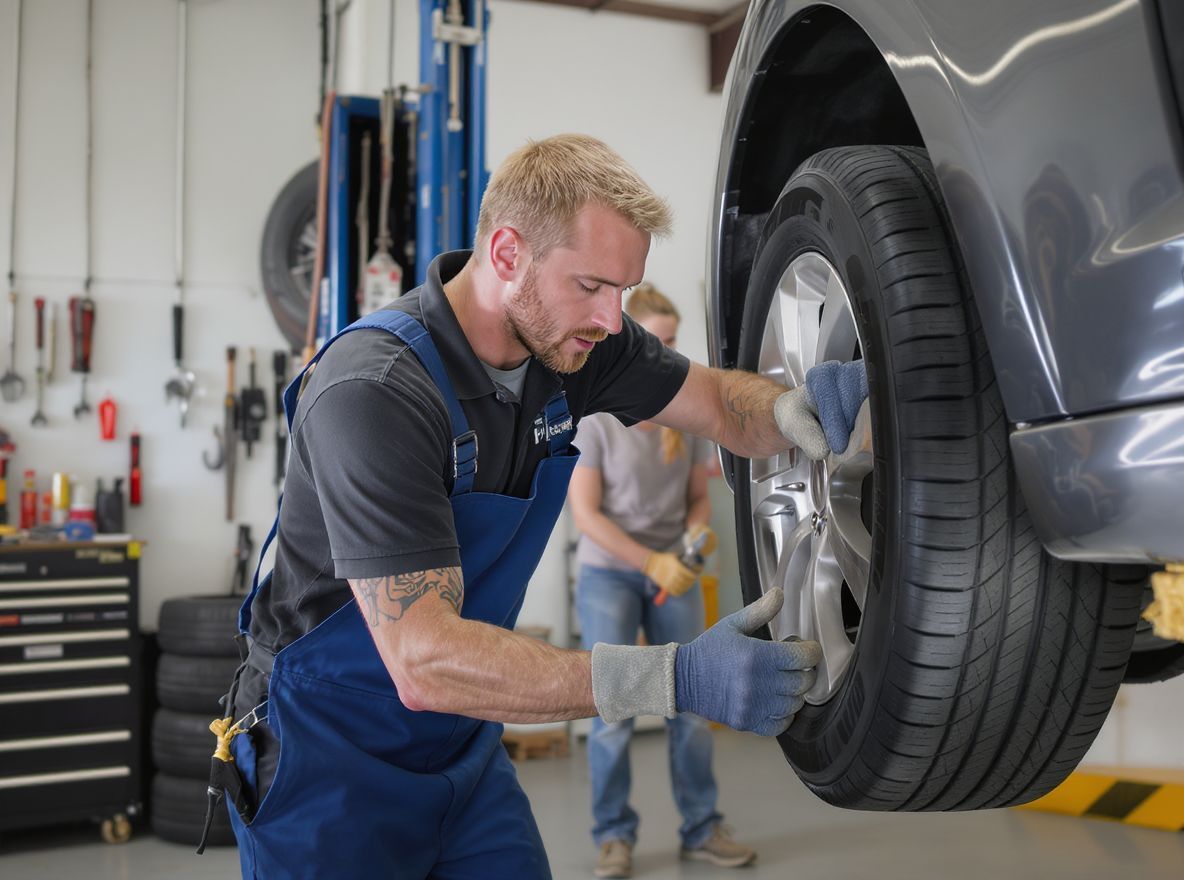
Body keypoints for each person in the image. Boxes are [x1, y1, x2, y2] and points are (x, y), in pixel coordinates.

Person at [212, 133, 868, 880]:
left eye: (624, 290)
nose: (612, 318)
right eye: (592, 285)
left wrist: (791, 407)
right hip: (326, 767)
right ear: (506, 255)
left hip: (462, 745)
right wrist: (674, 676)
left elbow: (718, 403)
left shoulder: (577, 346)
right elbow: (423, 661)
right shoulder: (375, 391)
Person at [568, 283, 753, 878]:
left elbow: (698, 498)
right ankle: (613, 836)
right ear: (629, 343)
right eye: (658, 342)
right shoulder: (596, 420)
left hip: (675, 571)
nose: (667, 355)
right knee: (612, 710)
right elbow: (587, 516)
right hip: (610, 575)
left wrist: (696, 534)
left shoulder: (685, 417)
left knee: (691, 703)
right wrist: (650, 563)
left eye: (673, 342)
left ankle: (702, 828)